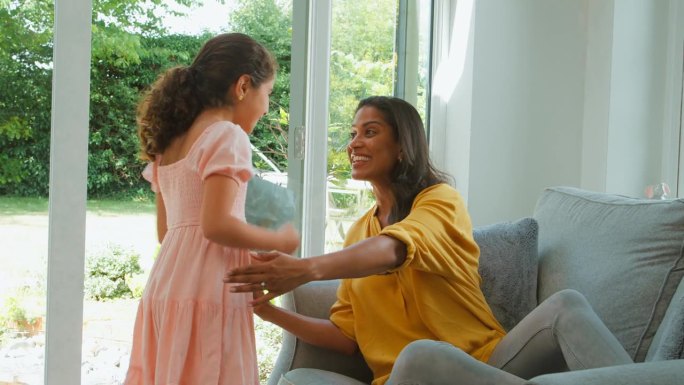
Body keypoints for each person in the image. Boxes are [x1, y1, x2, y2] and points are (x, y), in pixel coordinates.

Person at [224, 96, 635, 385]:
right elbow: (346, 338)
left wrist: (306, 269)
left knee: (566, 305)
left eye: (370, 132)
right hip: (411, 377)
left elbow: (396, 249)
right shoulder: (358, 234)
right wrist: (269, 313)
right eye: (353, 134)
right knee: (420, 355)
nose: (354, 144)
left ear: (402, 146)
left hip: (490, 364)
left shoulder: (440, 202)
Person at [124, 32, 299, 385]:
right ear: (243, 86)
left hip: (166, 286)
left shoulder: (169, 141)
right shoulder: (227, 135)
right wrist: (280, 239)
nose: (266, 107)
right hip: (209, 289)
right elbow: (216, 225)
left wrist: (245, 256)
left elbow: (168, 232)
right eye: (268, 93)